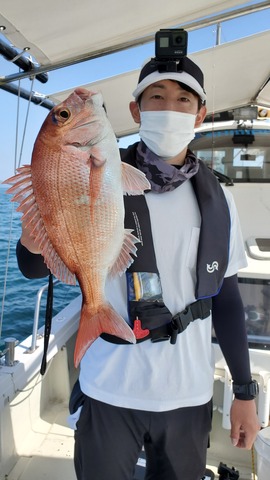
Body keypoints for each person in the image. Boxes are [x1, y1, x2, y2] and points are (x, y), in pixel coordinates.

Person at [16, 54, 260, 480]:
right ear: (135, 110)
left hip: (188, 395)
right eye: (156, 96)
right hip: (108, 388)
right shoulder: (106, 172)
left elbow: (227, 297)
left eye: (183, 99)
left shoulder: (219, 199)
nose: (169, 107)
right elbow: (33, 268)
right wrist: (31, 239)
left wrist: (243, 392)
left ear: (200, 114)